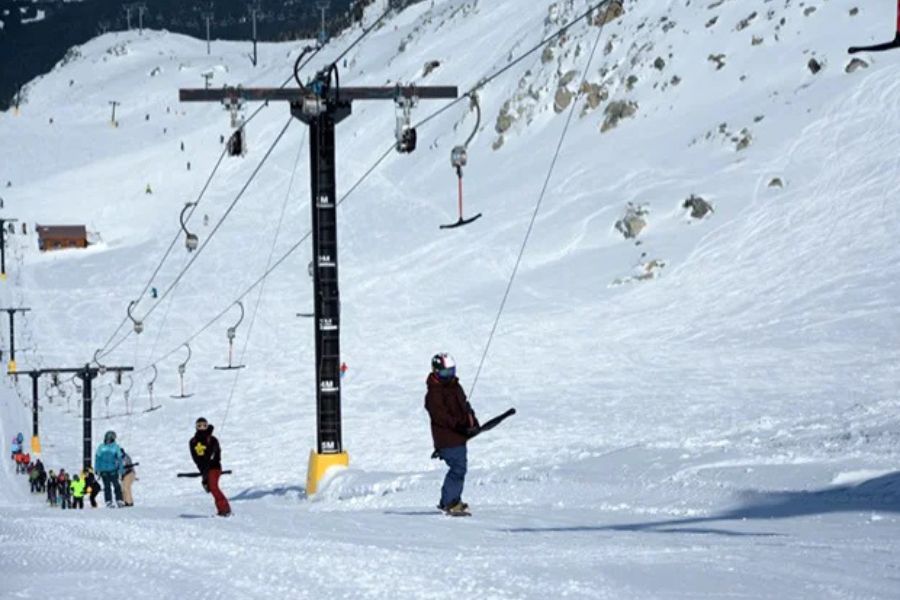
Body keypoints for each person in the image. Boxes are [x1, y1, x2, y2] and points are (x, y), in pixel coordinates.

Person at [424, 353, 479, 516]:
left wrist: (472, 423)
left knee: (460, 467)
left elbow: (465, 406)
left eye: (451, 372)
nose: (449, 376)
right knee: (457, 468)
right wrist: (460, 425)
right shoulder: (434, 393)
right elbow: (441, 417)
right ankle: (449, 502)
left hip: (458, 436)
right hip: (447, 438)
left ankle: (452, 500)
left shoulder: (455, 386)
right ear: (436, 372)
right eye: (445, 373)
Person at [189, 417, 231, 517]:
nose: (202, 428)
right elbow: (195, 457)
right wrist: (203, 467)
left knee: (213, 487)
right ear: (196, 427)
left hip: (214, 467)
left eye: (204, 425)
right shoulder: (193, 441)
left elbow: (218, 455)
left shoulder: (212, 439)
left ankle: (225, 509)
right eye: (199, 425)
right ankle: (222, 509)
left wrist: (212, 456)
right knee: (211, 488)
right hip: (204, 469)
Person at [95, 431, 124, 507]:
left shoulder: (115, 447)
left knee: (116, 485)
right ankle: (108, 501)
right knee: (107, 486)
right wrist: (97, 469)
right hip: (104, 470)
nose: (108, 440)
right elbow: (97, 458)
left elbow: (120, 459)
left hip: (113, 470)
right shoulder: (101, 447)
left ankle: (119, 499)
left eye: (110, 438)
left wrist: (121, 470)